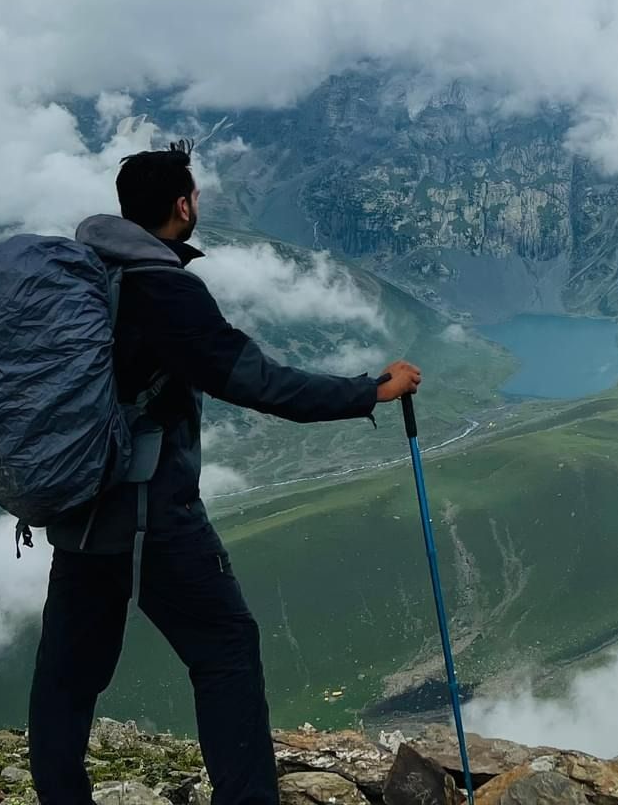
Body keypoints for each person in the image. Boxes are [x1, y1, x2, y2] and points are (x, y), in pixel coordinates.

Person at [29, 141, 421, 805]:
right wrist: (369, 392)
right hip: (154, 518)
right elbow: (260, 383)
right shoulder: (164, 290)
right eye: (195, 196)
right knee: (226, 649)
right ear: (182, 206)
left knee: (68, 672)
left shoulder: (85, 276)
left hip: (79, 505)